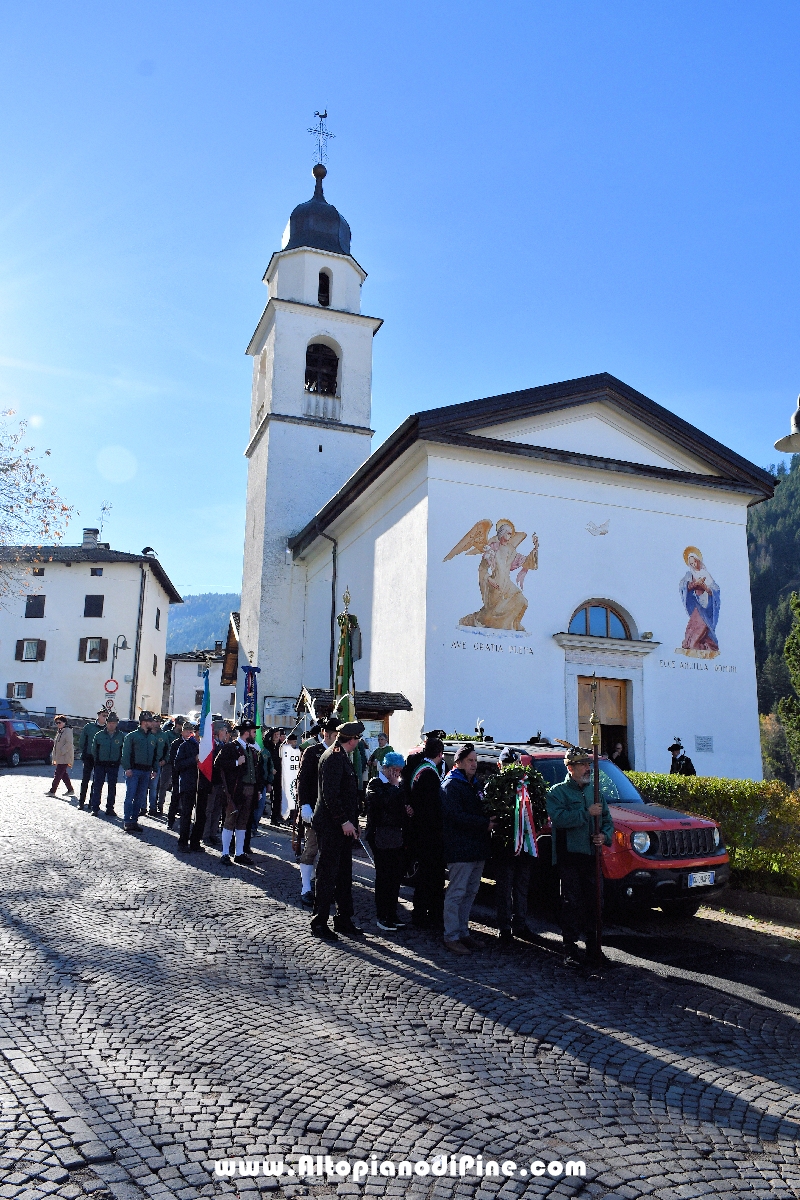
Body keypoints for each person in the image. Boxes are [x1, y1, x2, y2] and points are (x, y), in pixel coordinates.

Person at [546, 746, 614, 968]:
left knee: (595, 902)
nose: (588, 768)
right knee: (572, 904)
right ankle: (570, 949)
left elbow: (607, 820)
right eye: (583, 765)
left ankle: (594, 948)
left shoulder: (595, 792)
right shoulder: (557, 792)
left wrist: (604, 835)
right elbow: (559, 819)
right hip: (570, 858)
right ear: (570, 767)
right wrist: (586, 814)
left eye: (588, 764)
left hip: (591, 857)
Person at [310, 720, 365, 941]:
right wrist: (344, 821)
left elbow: (347, 795)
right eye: (358, 739)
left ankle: (343, 919)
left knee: (343, 875)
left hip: (342, 827)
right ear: (352, 739)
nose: (359, 742)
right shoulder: (333, 757)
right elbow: (330, 796)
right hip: (331, 826)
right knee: (327, 875)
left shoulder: (342, 756)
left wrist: (354, 822)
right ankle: (319, 922)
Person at [441, 744, 495, 954]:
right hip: (460, 848)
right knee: (457, 893)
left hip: (476, 847)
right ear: (459, 762)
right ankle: (451, 936)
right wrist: (484, 823)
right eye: (470, 761)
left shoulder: (474, 784)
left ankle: (463, 932)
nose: (475, 764)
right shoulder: (452, 785)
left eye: (475, 760)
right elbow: (455, 816)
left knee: (470, 892)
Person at [493, 748, 538, 947]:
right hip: (504, 847)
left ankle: (520, 923)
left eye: (514, 764)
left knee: (521, 886)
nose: (511, 768)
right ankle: (504, 927)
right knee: (504, 888)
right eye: (507, 765)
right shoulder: (494, 787)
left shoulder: (528, 785)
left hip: (525, 846)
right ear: (499, 766)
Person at [294, 717, 339, 906]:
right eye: (336, 736)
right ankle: (306, 888)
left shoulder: (338, 753)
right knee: (311, 849)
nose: (338, 739)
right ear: (326, 734)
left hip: (332, 812)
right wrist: (304, 804)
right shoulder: (312, 752)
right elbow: (302, 781)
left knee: (328, 852)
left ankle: (325, 887)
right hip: (313, 809)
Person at [365, 751, 409, 931]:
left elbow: (400, 804)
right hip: (381, 835)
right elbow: (384, 802)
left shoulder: (396, 785)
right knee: (384, 878)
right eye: (396, 770)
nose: (398, 774)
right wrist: (394, 786)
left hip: (395, 835)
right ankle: (382, 915)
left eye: (400, 771)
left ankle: (392, 913)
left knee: (394, 878)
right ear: (388, 769)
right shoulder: (375, 784)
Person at [408, 736, 446, 929]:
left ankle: (421, 913)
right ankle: (427, 915)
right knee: (432, 877)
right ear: (440, 754)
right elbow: (433, 807)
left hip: (419, 830)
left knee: (424, 876)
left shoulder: (418, 768)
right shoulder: (430, 774)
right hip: (429, 833)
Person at [215, 719, 266, 865]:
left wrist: (258, 790)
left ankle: (239, 853)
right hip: (236, 790)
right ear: (245, 733)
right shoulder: (231, 747)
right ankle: (225, 853)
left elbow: (256, 771)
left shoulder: (251, 749)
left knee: (243, 822)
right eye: (253, 732)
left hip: (250, 789)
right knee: (230, 820)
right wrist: (237, 762)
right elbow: (218, 764)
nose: (255, 735)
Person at [121, 711, 158, 834]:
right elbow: (126, 753)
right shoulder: (132, 736)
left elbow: (154, 755)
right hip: (134, 770)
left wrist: (155, 769)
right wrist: (127, 768)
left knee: (140, 797)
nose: (152, 723)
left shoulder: (153, 737)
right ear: (144, 722)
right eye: (150, 721)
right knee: (130, 796)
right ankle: (127, 821)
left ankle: (134, 820)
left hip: (146, 771)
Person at [174, 721, 205, 853]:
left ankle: (195, 842)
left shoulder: (205, 747)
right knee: (186, 814)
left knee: (201, 815)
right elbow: (178, 765)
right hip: (188, 784)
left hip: (202, 785)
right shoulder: (185, 746)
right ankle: (183, 842)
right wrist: (194, 759)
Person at [202, 722, 232, 845]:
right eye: (225, 731)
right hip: (212, 781)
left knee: (217, 810)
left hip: (221, 782)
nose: (226, 733)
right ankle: (205, 835)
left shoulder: (223, 745)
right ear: (219, 731)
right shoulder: (212, 745)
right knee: (209, 809)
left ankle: (213, 833)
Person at [89, 713, 125, 814]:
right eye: (109, 723)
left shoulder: (121, 736)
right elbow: (94, 749)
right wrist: (97, 761)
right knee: (97, 786)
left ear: (117, 724)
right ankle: (95, 808)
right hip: (100, 764)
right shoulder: (99, 735)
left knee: (112, 787)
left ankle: (110, 808)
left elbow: (124, 750)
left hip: (113, 765)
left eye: (113, 723)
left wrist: (119, 760)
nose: (111, 725)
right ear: (106, 723)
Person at [78, 709, 107, 808]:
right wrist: (84, 752)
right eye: (103, 715)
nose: (105, 717)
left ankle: (92, 802)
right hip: (89, 756)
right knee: (85, 780)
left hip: (100, 758)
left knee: (97, 782)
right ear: (98, 715)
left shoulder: (107, 729)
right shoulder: (89, 727)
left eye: (106, 716)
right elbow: (82, 741)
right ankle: (81, 802)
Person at [156, 717, 183, 815]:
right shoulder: (167, 734)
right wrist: (165, 759)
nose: (181, 727)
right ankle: (160, 805)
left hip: (179, 764)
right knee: (163, 785)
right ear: (176, 724)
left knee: (178, 786)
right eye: (180, 724)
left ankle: (178, 807)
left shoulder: (183, 736)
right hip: (168, 763)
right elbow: (165, 748)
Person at [46, 716, 75, 797]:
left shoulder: (68, 731)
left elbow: (69, 743)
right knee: (63, 774)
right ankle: (70, 790)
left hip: (65, 756)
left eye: (59, 722)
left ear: (64, 722)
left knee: (58, 773)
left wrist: (61, 751)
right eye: (56, 723)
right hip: (60, 756)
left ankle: (52, 791)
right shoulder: (60, 731)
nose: (58, 724)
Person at [166, 719, 186, 828]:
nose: (189, 733)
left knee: (185, 801)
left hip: (187, 776)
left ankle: (183, 822)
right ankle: (170, 820)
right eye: (187, 731)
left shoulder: (192, 743)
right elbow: (174, 760)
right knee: (175, 798)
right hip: (177, 774)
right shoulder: (176, 743)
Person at [267, 728, 285, 824]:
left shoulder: (280, 746)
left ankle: (275, 817)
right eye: (275, 734)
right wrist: (270, 769)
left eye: (278, 734)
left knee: (277, 797)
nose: (277, 736)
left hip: (278, 774)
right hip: (269, 774)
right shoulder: (267, 746)